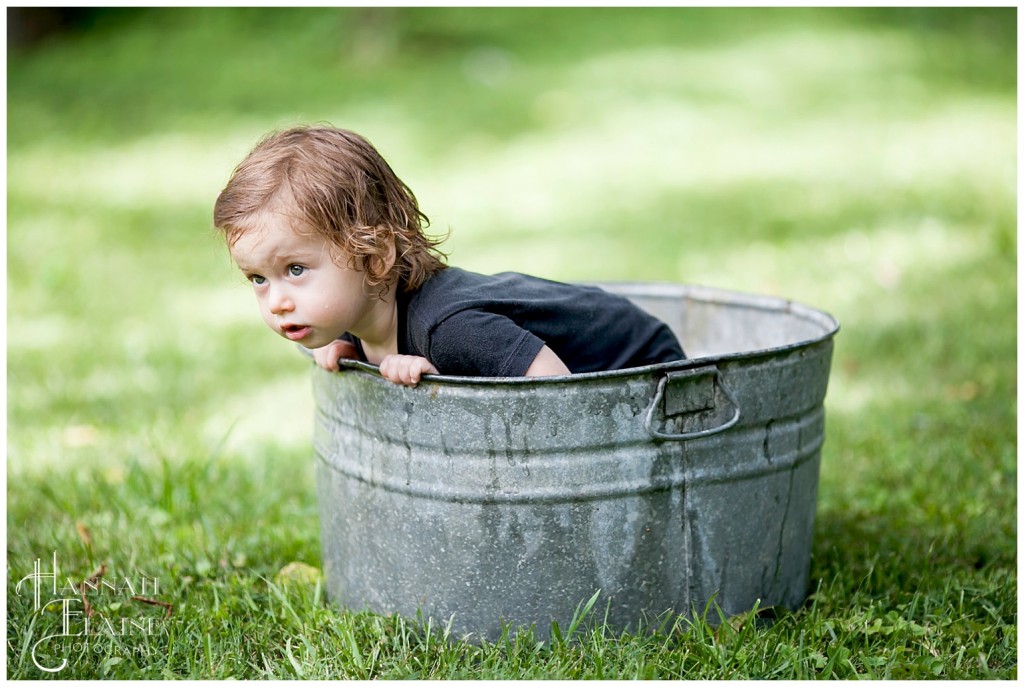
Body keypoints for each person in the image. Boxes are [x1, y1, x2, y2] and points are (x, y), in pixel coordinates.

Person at [213, 125, 684, 386]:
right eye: (258, 279)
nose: (276, 301)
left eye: (295, 270)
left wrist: (450, 381)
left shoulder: (452, 331)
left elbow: (554, 395)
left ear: (376, 257)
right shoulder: (356, 314)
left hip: (645, 368)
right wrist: (353, 347)